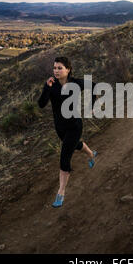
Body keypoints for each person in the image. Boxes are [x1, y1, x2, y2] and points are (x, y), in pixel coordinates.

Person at [38, 56, 98, 208]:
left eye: (60, 68)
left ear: (68, 70)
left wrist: (93, 105)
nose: (56, 71)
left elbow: (95, 86)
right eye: (55, 68)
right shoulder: (52, 86)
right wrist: (46, 88)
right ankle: (91, 154)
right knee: (76, 145)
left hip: (74, 126)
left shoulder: (76, 83)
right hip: (60, 128)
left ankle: (61, 192)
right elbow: (41, 104)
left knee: (64, 158)